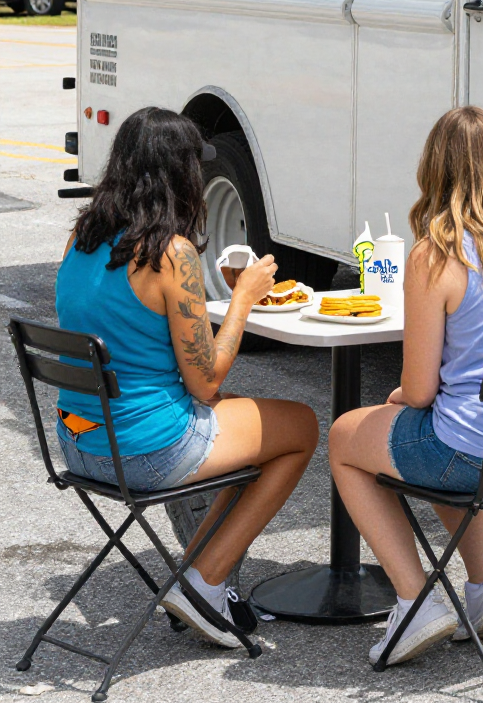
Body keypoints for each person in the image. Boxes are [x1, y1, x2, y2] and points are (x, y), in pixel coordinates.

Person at [328, 106, 483, 667]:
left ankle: (415, 599)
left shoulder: (435, 254)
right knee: (457, 431)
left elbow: (418, 391)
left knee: (350, 438)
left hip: (479, 453)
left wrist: (396, 404)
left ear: (433, 171)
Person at [54, 107, 319, 645]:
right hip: (142, 451)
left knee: (249, 422)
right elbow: (206, 381)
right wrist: (243, 298)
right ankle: (203, 581)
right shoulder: (170, 252)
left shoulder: (81, 236)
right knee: (301, 428)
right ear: (180, 174)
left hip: (78, 441)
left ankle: (204, 579)